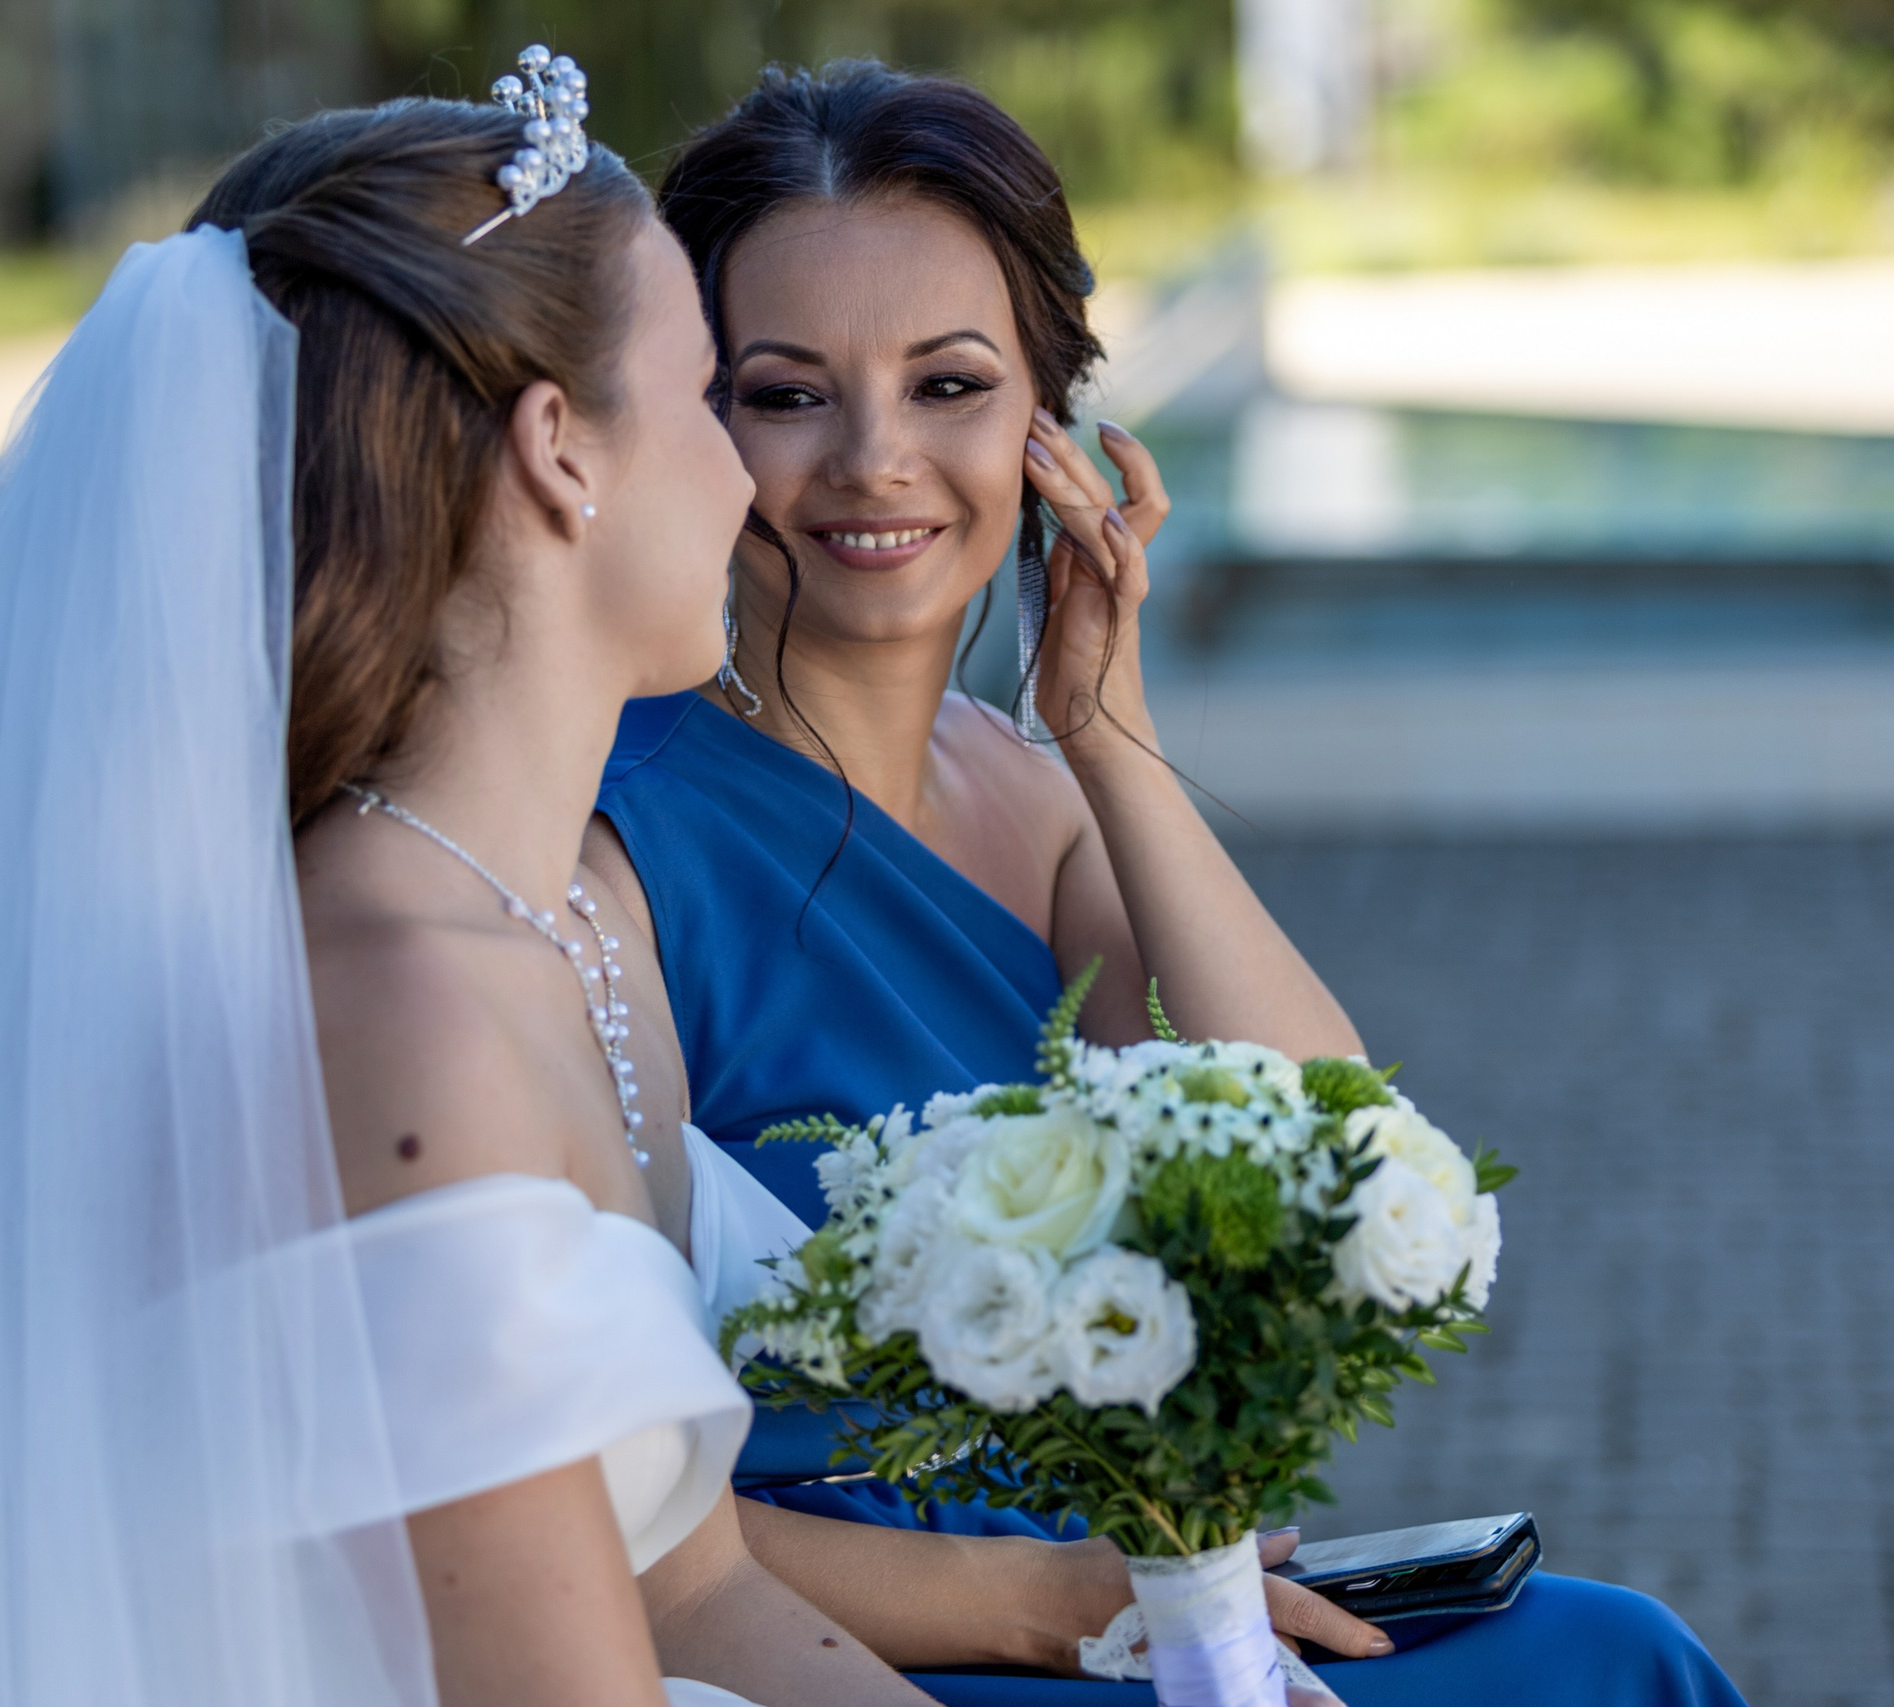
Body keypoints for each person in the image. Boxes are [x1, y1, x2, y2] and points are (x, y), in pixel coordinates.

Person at [579, 60, 1750, 1707]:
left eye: (950, 385)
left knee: (1619, 1655)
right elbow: (582, 1513)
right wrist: (1048, 1602)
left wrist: (1111, 739)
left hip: (1128, 1583)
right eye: (786, 394)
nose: (872, 459)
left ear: (1055, 424)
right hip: (861, 1640)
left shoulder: (1040, 796)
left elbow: (1333, 1168)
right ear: (693, 426)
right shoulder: (615, 842)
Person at [0, 79, 952, 1707]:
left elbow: (698, 1597)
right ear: (561, 453)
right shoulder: (397, 1007)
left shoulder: (545, 931)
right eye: (704, 393)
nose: (753, 482)